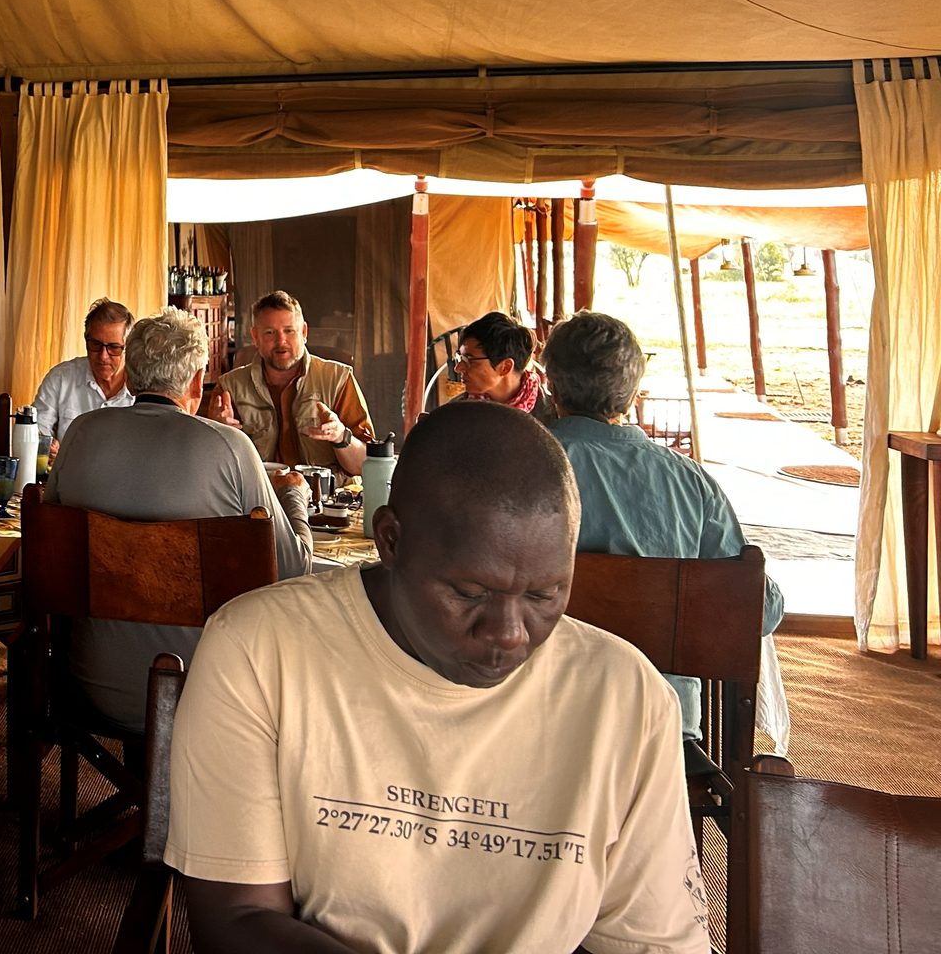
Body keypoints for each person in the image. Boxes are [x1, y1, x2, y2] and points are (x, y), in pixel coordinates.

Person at [166, 401, 708, 953]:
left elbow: (650, 942)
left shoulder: (625, 698)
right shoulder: (260, 649)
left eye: (545, 596)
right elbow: (235, 918)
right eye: (470, 594)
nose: (510, 634)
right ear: (391, 540)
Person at [47, 308, 310, 733]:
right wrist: (295, 494)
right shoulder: (230, 449)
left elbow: (55, 536)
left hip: (88, 682)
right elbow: (294, 568)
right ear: (194, 381)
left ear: (131, 377)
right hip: (205, 693)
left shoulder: (80, 433)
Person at [541, 310, 785, 744]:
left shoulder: (519, 464)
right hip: (664, 732)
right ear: (633, 391)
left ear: (550, 384)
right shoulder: (692, 484)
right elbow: (759, 611)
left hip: (534, 725)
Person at [202, 291, 372, 479]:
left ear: (304, 332)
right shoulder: (229, 387)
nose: (280, 341)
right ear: (255, 337)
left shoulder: (338, 380)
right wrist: (219, 434)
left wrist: (341, 436)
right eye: (269, 333)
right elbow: (211, 470)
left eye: (289, 331)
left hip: (323, 500)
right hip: (259, 497)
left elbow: (366, 465)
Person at [31, 298, 136, 454]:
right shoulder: (61, 378)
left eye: (113, 348)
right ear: (86, 340)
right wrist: (46, 448)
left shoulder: (143, 386)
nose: (103, 356)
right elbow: (37, 432)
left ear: (128, 347)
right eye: (95, 345)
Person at [451, 310, 553, 418]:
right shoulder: (456, 414)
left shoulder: (550, 418)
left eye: (469, 360)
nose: (458, 368)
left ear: (505, 367)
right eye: (460, 358)